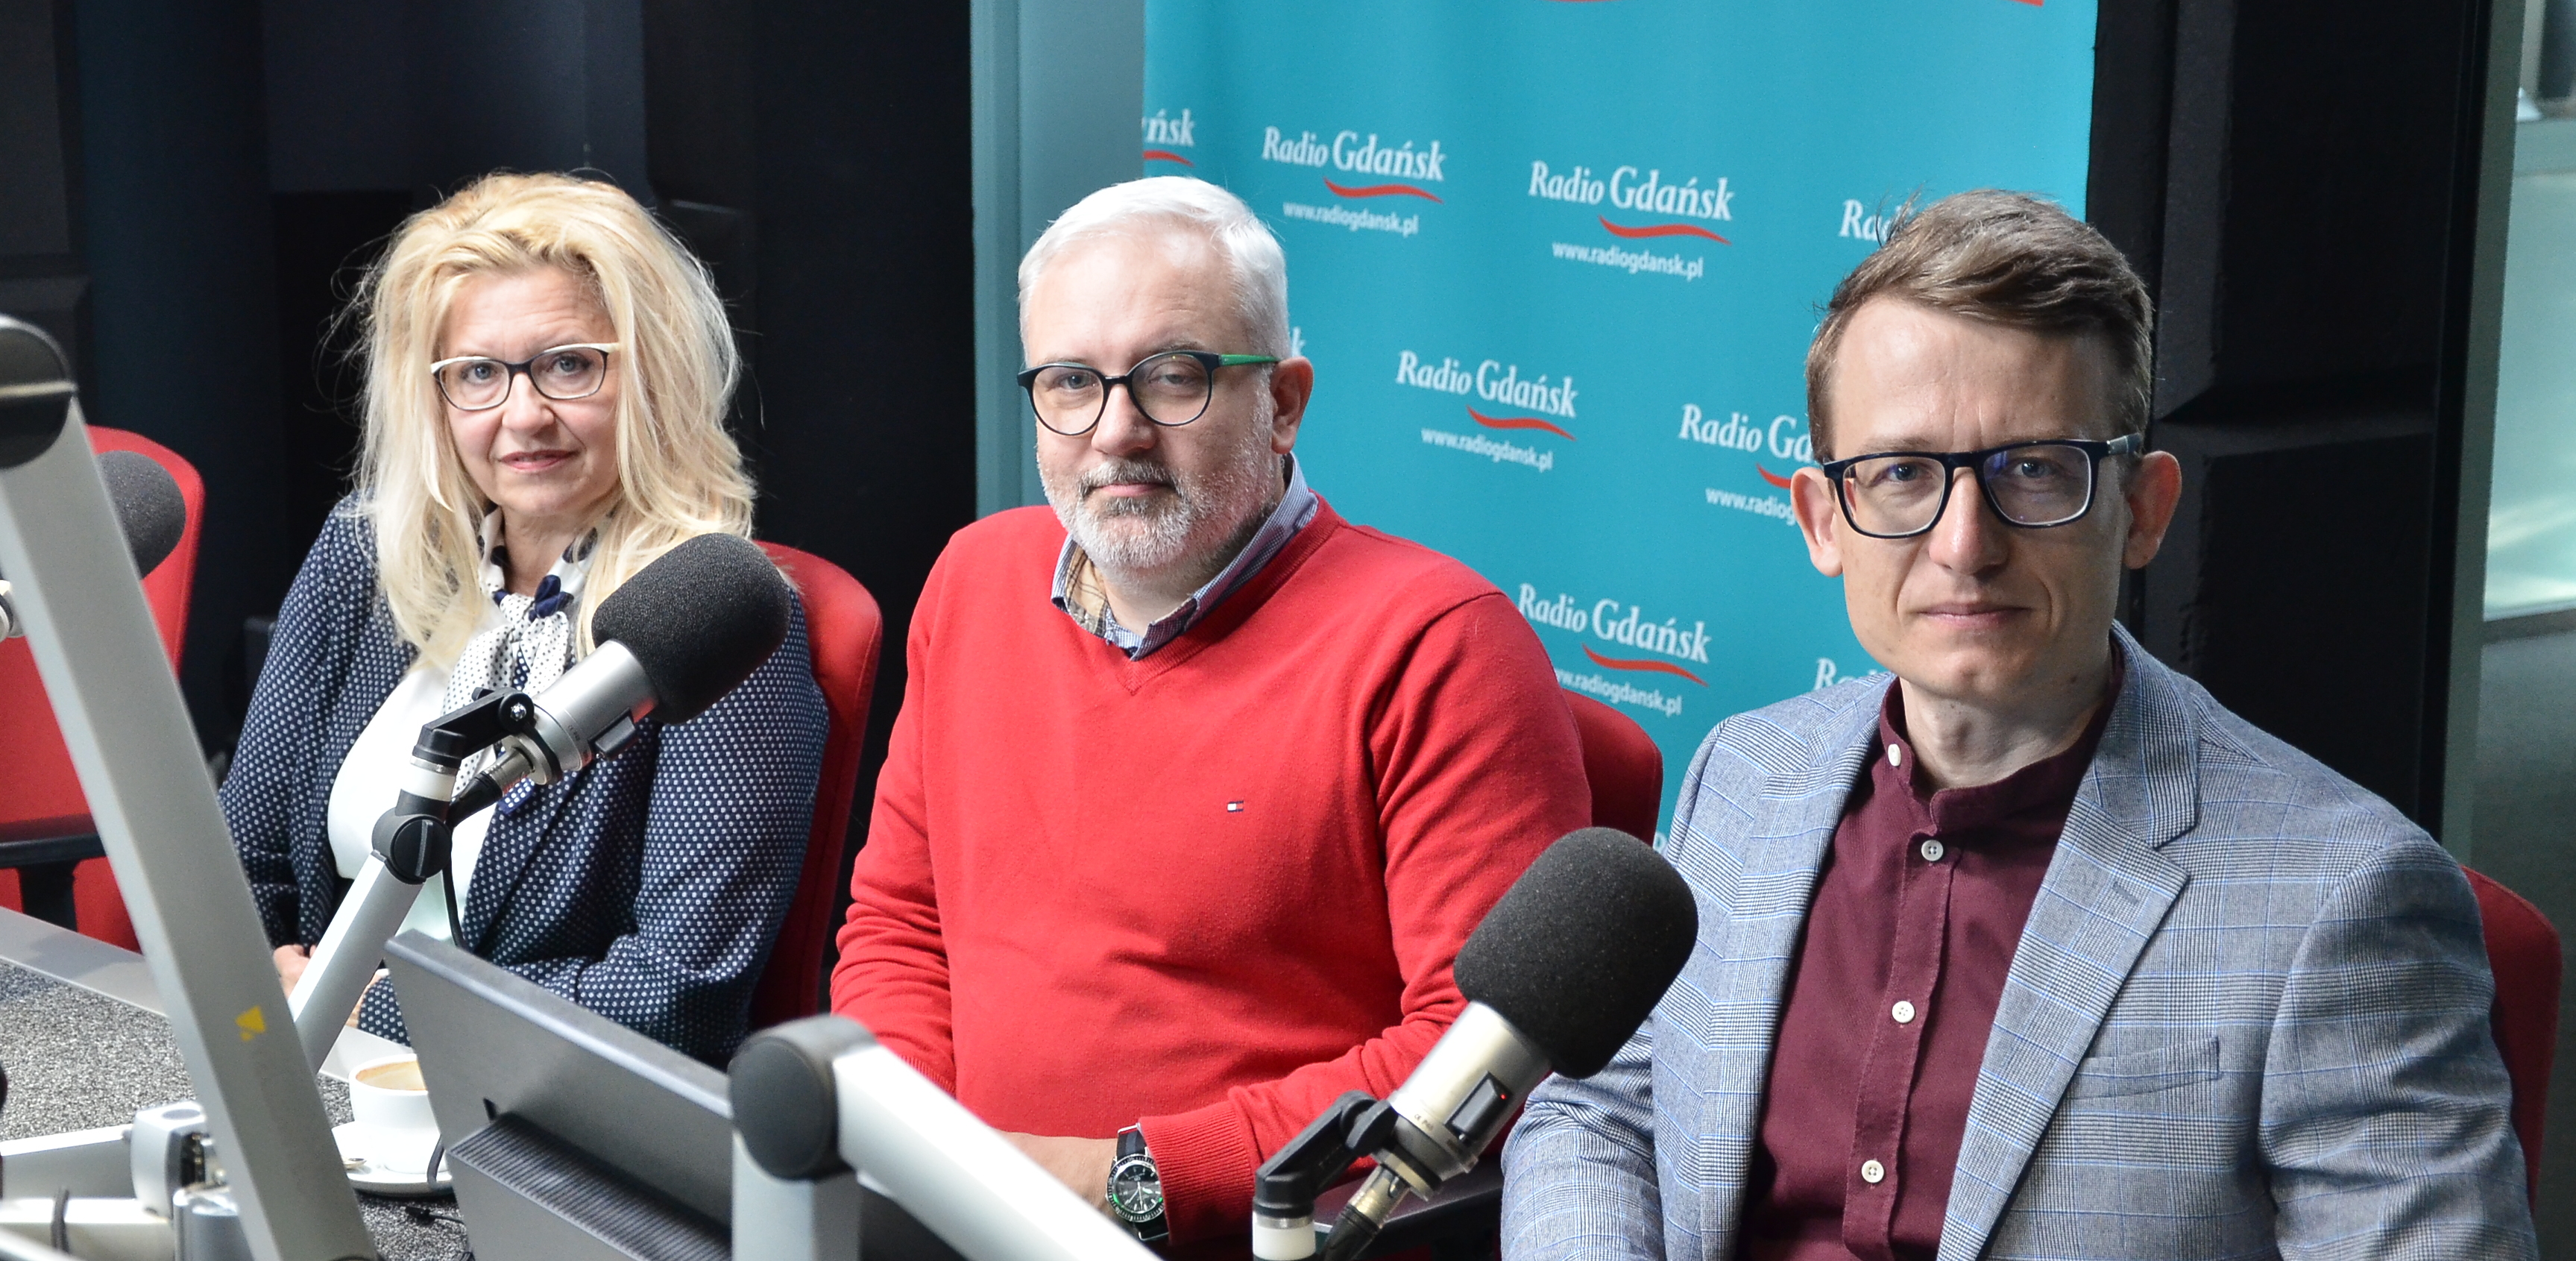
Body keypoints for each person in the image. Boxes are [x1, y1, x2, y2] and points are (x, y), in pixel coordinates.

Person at [1501, 191, 2537, 1260]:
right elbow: (1597, 1111)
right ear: (1820, 520)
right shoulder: (1744, 769)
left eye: (2032, 470)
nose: (1963, 543)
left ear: (2140, 509)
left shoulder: (2338, 899)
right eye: (1900, 473)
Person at [831, 176, 1592, 1249]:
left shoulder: (1438, 645)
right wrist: (914, 1151)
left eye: (1172, 377)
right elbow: (902, 927)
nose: (1115, 432)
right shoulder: (972, 578)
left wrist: (1126, 1178)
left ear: (1282, 401)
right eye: (1068, 383)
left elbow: (1469, 1056)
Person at [224, 172, 826, 1064]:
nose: (524, 415)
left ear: (650, 375)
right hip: (312, 1068)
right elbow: (241, 860)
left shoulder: (716, 621)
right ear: (431, 396)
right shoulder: (368, 555)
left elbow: (679, 992)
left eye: (570, 363)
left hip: (544, 1124)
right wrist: (253, 989)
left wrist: (367, 1008)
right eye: (477, 373)